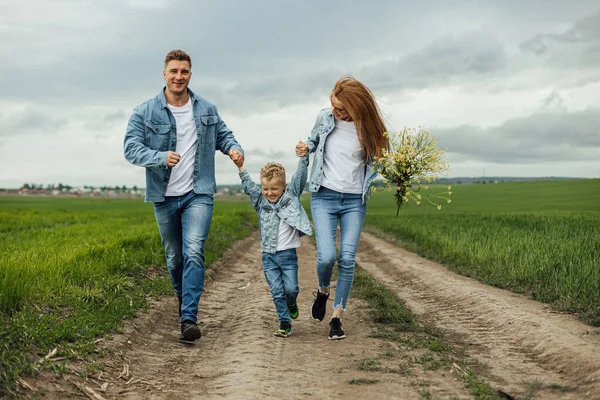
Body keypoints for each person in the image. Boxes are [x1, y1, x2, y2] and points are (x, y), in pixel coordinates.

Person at [124, 49, 244, 343]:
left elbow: (224, 135)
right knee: (174, 257)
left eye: (185, 72)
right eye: (174, 71)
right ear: (164, 73)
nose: (179, 76)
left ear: (190, 74)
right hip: (163, 195)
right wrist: (159, 156)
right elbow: (130, 149)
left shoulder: (206, 109)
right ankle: (184, 302)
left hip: (198, 193)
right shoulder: (144, 111)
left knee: (194, 250)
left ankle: (189, 317)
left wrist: (233, 149)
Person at [295, 76, 389, 340]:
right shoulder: (325, 118)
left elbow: (380, 161)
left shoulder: (369, 129)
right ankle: (323, 290)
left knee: (347, 258)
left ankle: (337, 317)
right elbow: (313, 142)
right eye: (333, 107)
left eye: (341, 109)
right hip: (324, 196)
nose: (336, 112)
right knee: (326, 257)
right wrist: (305, 147)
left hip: (353, 202)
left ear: (356, 106)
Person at [236, 150, 312, 337]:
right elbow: (249, 187)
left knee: (291, 289)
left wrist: (304, 157)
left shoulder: (291, 196)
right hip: (268, 256)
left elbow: (300, 177)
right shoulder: (260, 202)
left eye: (274, 189)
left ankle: (292, 302)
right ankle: (284, 322)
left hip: (288, 256)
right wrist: (240, 167)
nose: (269, 193)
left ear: (283, 187)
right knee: (277, 291)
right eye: (266, 189)